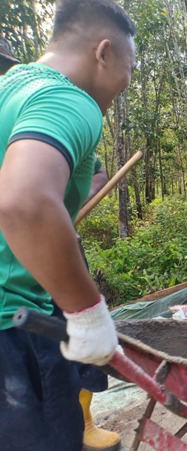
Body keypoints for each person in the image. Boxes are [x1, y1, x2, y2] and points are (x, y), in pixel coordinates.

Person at [0, 1, 136, 449]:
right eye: (128, 70)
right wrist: (88, 314)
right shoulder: (68, 98)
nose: (125, 84)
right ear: (104, 52)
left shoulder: (10, 87)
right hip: (11, 325)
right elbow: (24, 201)